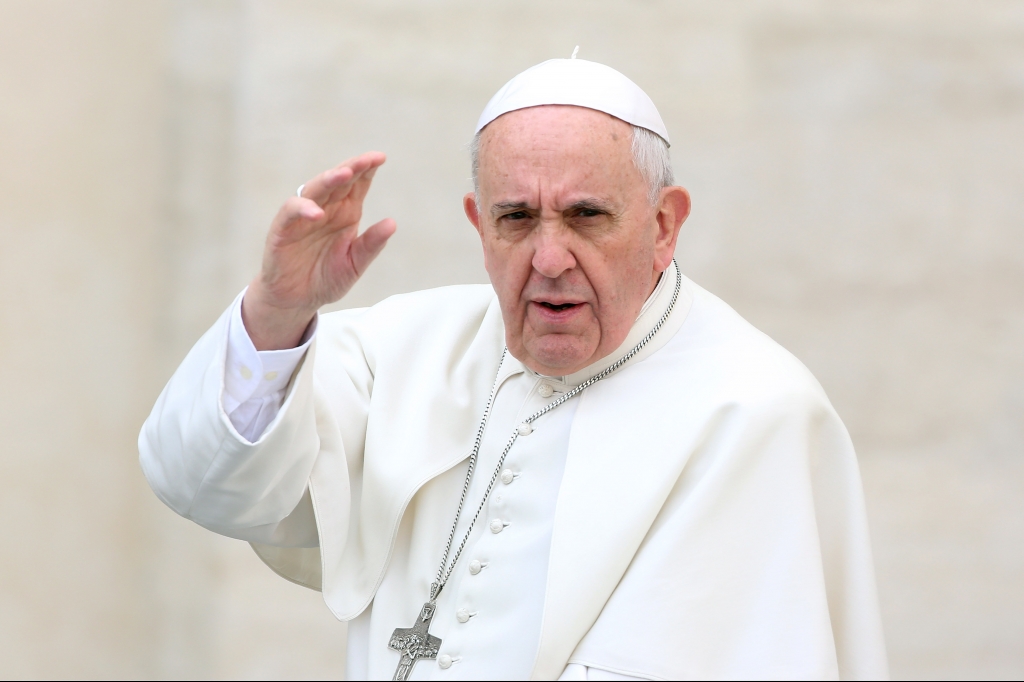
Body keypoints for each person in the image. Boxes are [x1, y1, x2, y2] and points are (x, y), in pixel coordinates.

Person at [140, 57, 888, 680]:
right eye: (517, 218)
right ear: (479, 223)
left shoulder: (758, 410)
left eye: (587, 215)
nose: (550, 258)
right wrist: (275, 310)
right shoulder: (403, 348)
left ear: (663, 225)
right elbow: (204, 486)